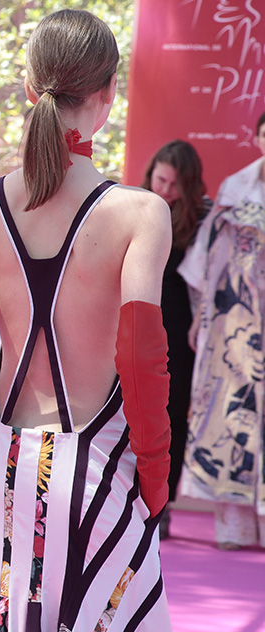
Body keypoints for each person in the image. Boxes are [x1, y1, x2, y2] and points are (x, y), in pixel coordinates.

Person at [0, 10, 179, 632]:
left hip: (3, 464)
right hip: (99, 472)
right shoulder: (139, 213)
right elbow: (142, 358)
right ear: (108, 94)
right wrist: (155, 477)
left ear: (30, 88)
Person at [178, 112, 265, 551]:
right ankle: (233, 526)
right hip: (239, 315)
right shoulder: (235, 187)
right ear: (257, 137)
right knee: (233, 413)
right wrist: (202, 315)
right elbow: (210, 260)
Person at [140, 140, 212, 539]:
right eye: (160, 179)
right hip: (137, 323)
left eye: (174, 184)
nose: (165, 190)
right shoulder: (133, 205)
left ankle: (161, 506)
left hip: (180, 334)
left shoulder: (203, 219)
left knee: (171, 419)